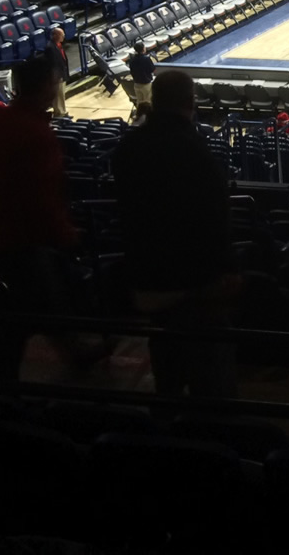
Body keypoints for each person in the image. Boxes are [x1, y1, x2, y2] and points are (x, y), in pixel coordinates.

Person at [112, 70, 238, 398]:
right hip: (192, 279)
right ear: (191, 102)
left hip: (146, 272)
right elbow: (215, 219)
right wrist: (225, 270)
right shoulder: (197, 153)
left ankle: (166, 425)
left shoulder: (128, 147)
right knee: (208, 367)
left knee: (165, 359)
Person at [0, 56, 81, 380]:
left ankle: (74, 353)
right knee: (28, 311)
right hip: (20, 237)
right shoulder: (35, 132)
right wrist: (64, 234)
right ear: (46, 85)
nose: (58, 84)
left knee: (28, 312)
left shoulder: (1, 122)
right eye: (55, 80)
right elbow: (42, 195)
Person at [45, 26, 71, 118]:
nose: (63, 37)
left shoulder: (58, 45)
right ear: (55, 35)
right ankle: (59, 113)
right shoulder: (50, 47)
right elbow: (53, 64)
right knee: (57, 96)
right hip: (57, 76)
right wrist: (57, 76)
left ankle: (63, 111)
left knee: (61, 94)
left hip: (62, 73)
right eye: (61, 35)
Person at [127, 40, 156, 110]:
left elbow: (131, 71)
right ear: (143, 49)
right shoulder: (146, 59)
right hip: (146, 84)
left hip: (136, 84)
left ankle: (140, 116)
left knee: (139, 103)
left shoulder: (132, 60)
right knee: (148, 102)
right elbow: (153, 69)